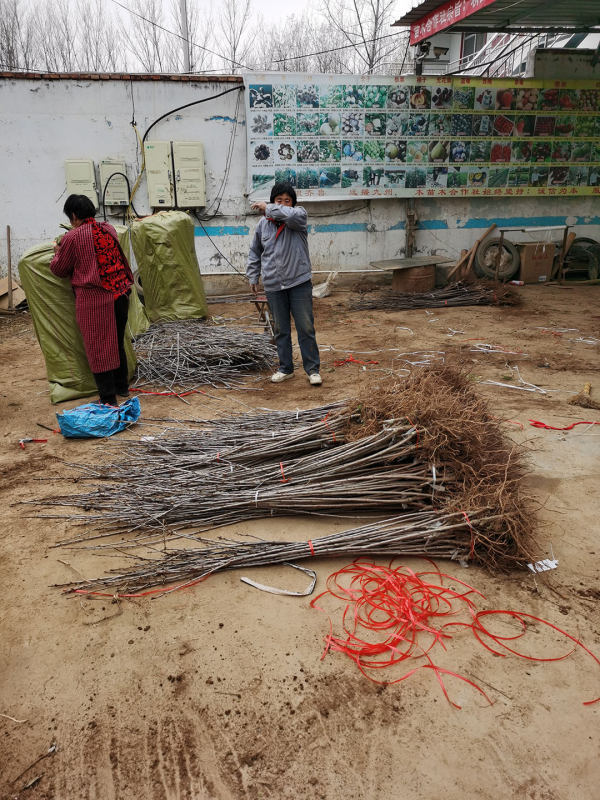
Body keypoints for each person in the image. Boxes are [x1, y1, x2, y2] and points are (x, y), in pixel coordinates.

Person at [50, 194, 134, 406]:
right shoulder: (109, 229)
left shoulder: (73, 238)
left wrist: (56, 252)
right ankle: (122, 387)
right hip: (121, 295)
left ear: (74, 215)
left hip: (96, 301)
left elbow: (59, 269)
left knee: (99, 348)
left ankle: (108, 398)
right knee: (116, 342)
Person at [247, 182, 322, 385]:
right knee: (280, 329)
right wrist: (253, 276)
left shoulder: (298, 217)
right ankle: (285, 368)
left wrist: (268, 207)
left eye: (286, 201)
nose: (283, 204)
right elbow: (255, 252)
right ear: (273, 201)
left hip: (298, 282)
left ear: (293, 203)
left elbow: (291, 215)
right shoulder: (263, 225)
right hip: (273, 284)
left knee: (305, 327)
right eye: (278, 200)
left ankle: (312, 369)